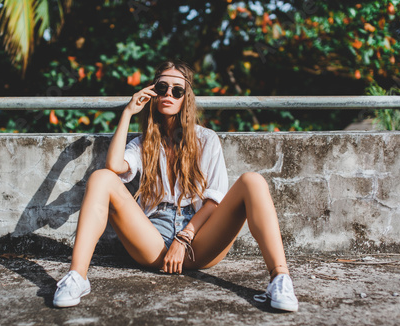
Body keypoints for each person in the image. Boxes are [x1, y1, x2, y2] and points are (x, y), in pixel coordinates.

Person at [53, 60, 298, 312]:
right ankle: (77, 277)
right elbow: (115, 166)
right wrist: (127, 112)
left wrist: (183, 239)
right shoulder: (142, 143)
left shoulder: (206, 139)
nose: (168, 94)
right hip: (153, 241)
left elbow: (214, 201)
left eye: (177, 90)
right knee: (101, 177)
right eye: (162, 88)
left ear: (185, 98)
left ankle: (280, 279)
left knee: (253, 181)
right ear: (153, 92)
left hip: (199, 240)